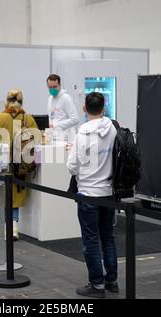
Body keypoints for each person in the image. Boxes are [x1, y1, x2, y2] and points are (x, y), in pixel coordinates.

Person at [67, 92, 118, 298]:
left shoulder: (82, 134)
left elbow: (72, 167)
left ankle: (96, 285)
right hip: (108, 192)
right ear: (103, 108)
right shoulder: (113, 129)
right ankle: (111, 280)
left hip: (88, 193)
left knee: (90, 240)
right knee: (108, 237)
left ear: (84, 109)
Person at [0, 89, 39, 241]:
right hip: (19, 165)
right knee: (15, 196)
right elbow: (37, 139)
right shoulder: (28, 118)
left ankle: (1, 226)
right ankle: (14, 228)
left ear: (7, 101)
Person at [47, 74, 79, 142]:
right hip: (54, 137)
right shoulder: (50, 99)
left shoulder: (66, 98)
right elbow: (51, 117)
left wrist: (57, 125)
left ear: (59, 85)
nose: (52, 89)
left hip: (66, 138)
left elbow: (75, 119)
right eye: (50, 87)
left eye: (55, 86)